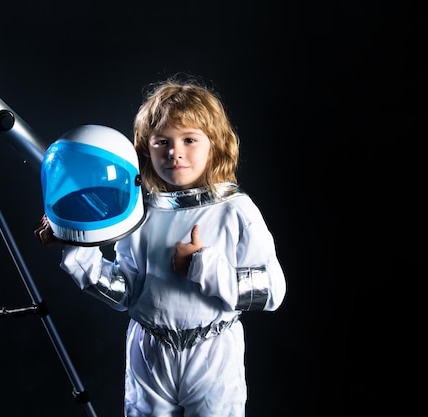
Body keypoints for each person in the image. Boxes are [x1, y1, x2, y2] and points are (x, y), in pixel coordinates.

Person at [34, 77, 287, 417]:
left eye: (189, 139)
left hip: (212, 352)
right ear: (144, 148)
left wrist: (203, 266)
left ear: (215, 143)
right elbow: (125, 293)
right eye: (162, 141)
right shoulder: (141, 212)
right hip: (149, 352)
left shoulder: (234, 210)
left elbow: (272, 291)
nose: (174, 152)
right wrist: (76, 246)